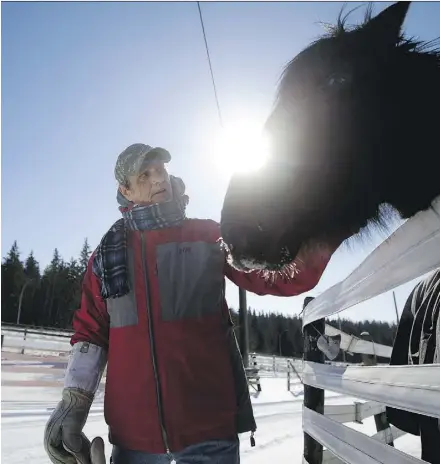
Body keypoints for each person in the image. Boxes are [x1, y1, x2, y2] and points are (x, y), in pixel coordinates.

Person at [43, 143, 337, 464]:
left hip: (209, 431)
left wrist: (324, 234)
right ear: (126, 190)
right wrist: (73, 405)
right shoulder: (107, 255)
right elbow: (91, 334)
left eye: (161, 169)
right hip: (134, 439)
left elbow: (276, 276)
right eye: (146, 174)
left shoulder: (208, 235)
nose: (159, 179)